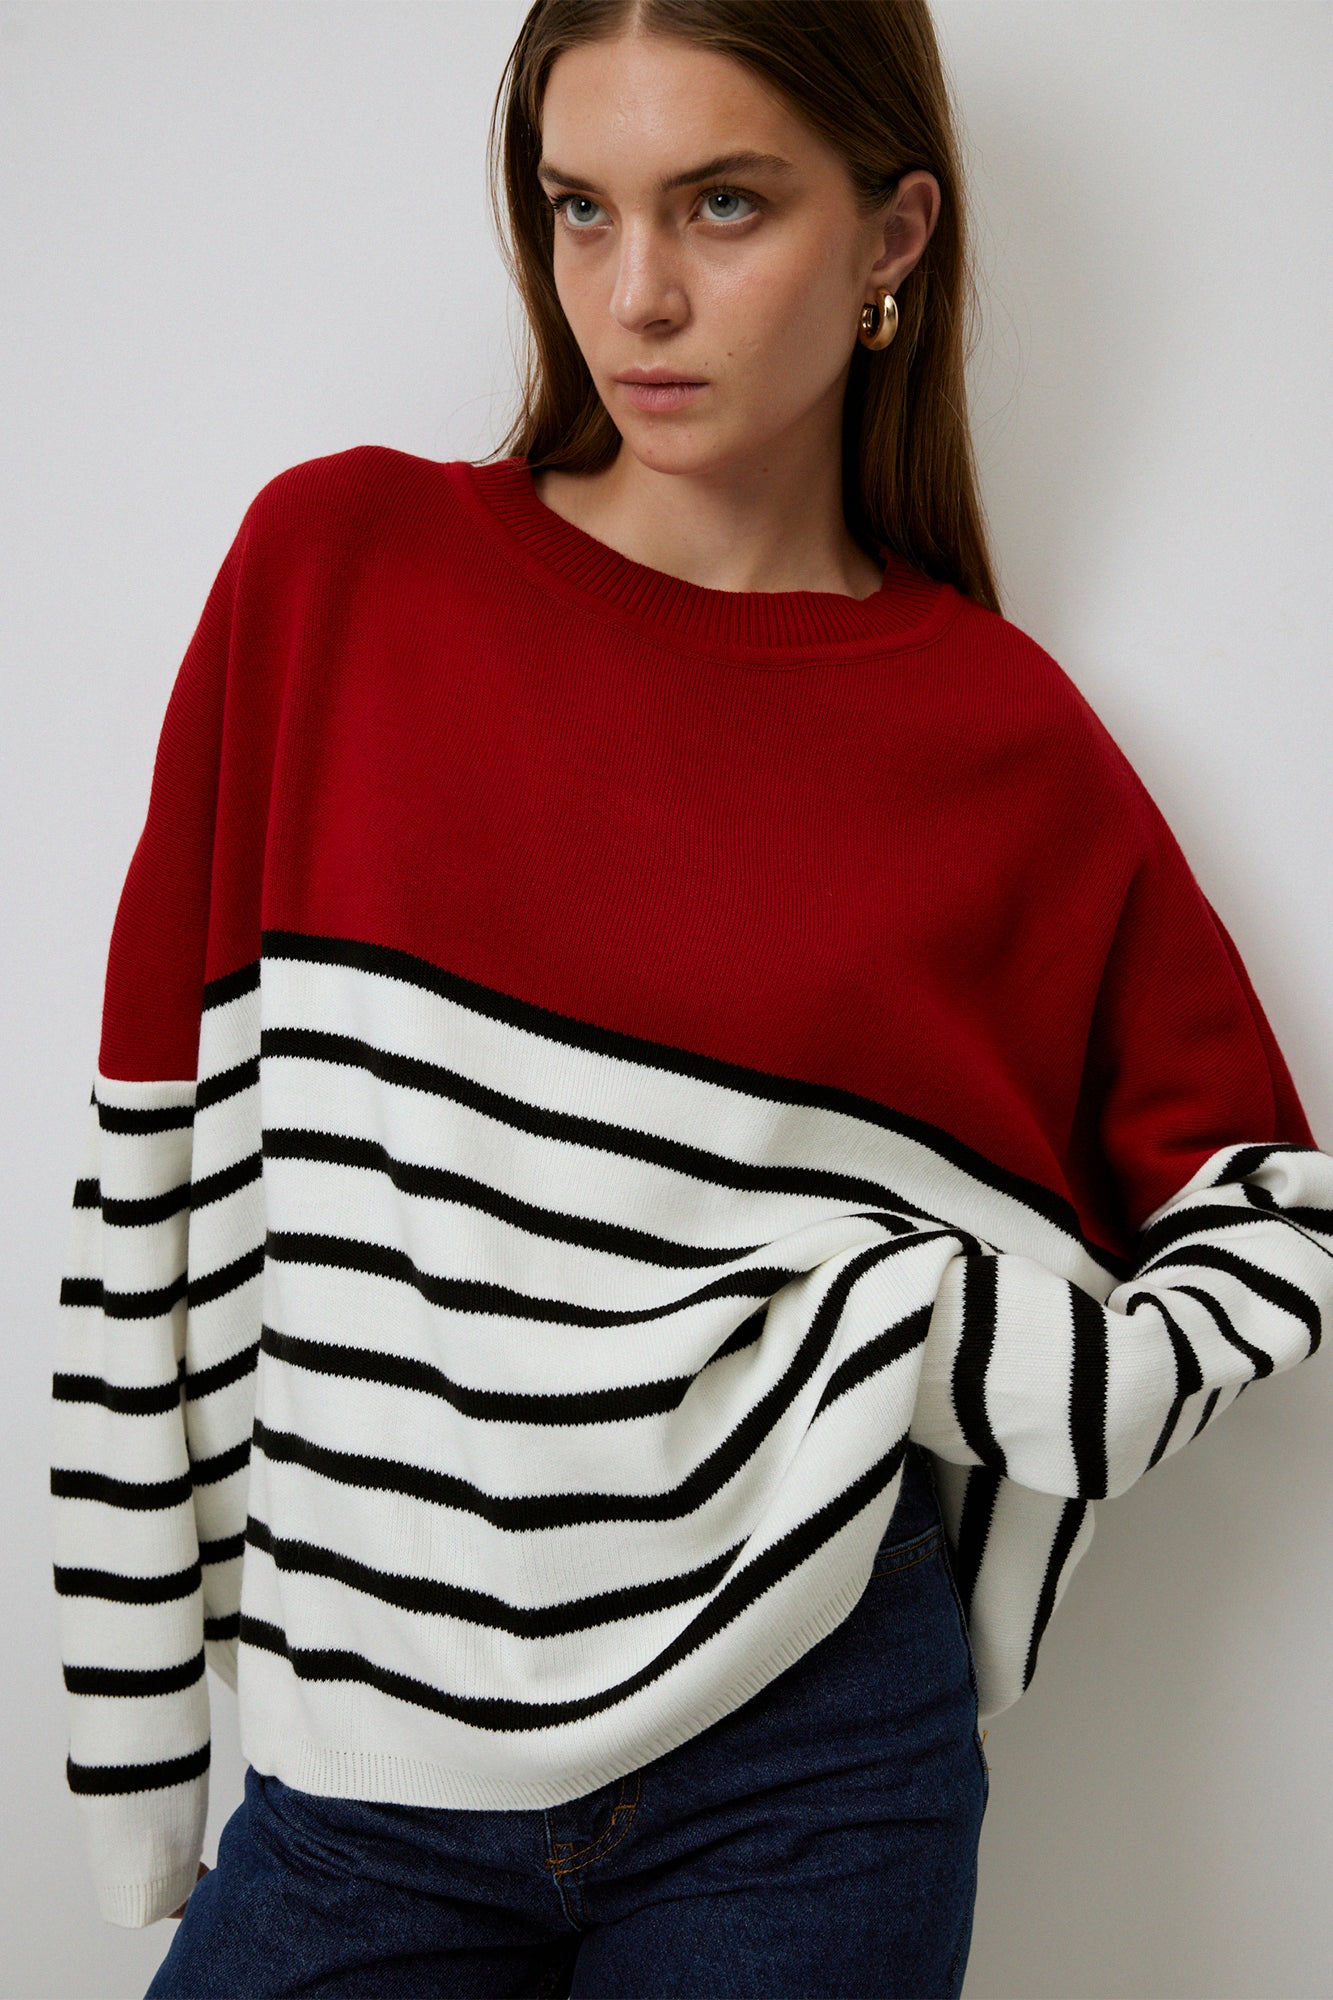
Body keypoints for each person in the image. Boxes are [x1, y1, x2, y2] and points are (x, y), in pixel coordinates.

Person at [48, 2, 1329, 1995]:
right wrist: (137, 1752)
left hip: (809, 1767)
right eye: (582, 207)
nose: (632, 295)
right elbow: (154, 1170)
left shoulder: (994, 739)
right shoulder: (342, 576)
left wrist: (954, 1346)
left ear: (892, 235)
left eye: (722, 204)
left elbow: (1266, 1210)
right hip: (364, 1770)